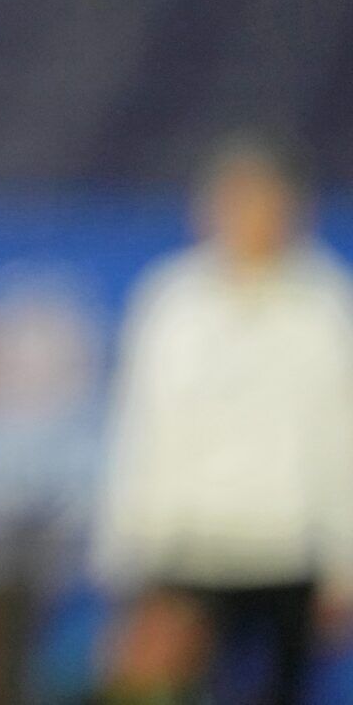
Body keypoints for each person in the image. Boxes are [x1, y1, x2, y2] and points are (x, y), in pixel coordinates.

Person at [94, 137, 353, 705]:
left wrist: (344, 561)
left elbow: (341, 438)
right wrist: (126, 550)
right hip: (190, 547)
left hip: (286, 548)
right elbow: (143, 429)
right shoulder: (172, 301)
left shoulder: (325, 306)